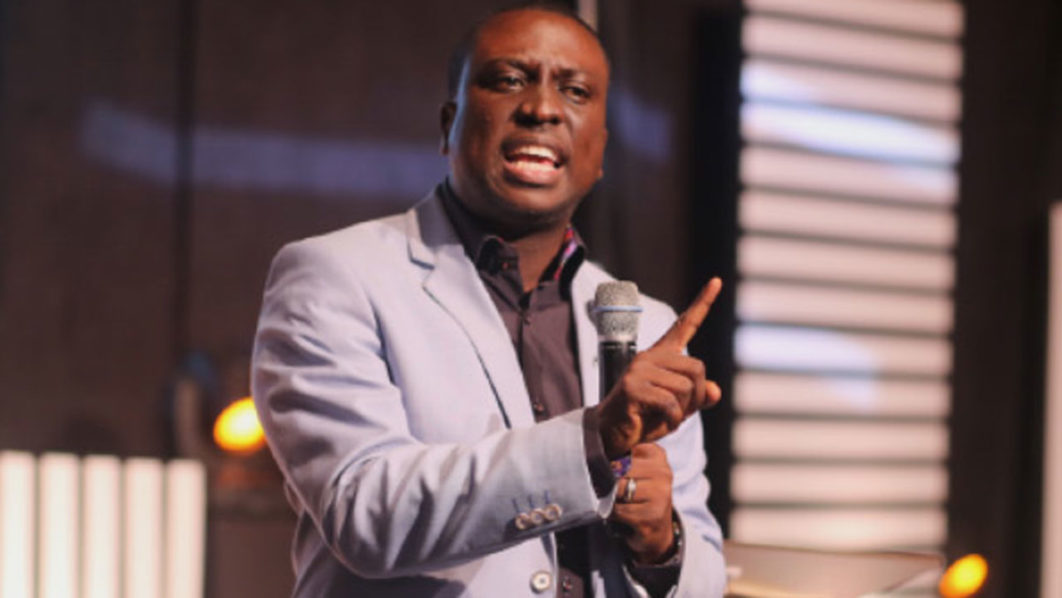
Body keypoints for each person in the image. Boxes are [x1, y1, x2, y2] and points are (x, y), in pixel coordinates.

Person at [252, 4, 726, 596]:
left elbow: (705, 574)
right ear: (448, 124)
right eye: (508, 80)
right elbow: (365, 514)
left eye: (575, 91)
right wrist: (591, 443)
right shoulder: (335, 276)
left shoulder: (646, 324)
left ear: (600, 150)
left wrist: (662, 544)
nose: (542, 108)